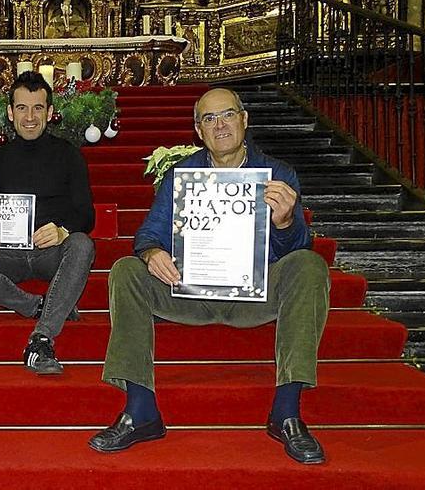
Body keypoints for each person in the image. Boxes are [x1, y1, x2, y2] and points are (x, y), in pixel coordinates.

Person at [88, 88, 329, 464]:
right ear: (198, 130)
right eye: (209, 119)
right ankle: (140, 410)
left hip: (255, 291)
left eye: (228, 115)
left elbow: (297, 248)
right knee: (126, 270)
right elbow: (148, 233)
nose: (220, 125)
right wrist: (153, 254)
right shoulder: (182, 175)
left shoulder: (278, 175)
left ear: (244, 120)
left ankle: (286, 412)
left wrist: (284, 223)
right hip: (190, 290)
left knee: (310, 267)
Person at [0, 71, 95, 375]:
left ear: (50, 112)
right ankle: (36, 305)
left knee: (82, 244)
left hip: (52, 253)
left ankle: (42, 337)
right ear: (10, 112)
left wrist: (62, 230)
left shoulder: (69, 155)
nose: (30, 116)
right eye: (22, 108)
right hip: (11, 252)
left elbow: (86, 214)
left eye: (38, 108)